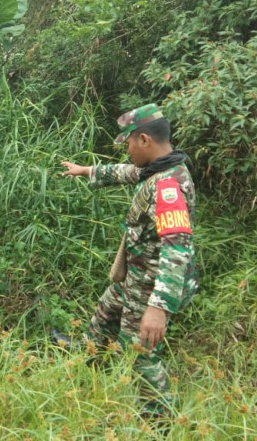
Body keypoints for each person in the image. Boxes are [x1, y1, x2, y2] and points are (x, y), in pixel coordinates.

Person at [61, 103, 198, 416]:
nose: (128, 151)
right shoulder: (160, 168)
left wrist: (158, 308)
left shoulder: (167, 187)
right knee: (105, 312)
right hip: (134, 277)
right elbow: (129, 172)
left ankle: (158, 422)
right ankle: (86, 362)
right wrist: (87, 171)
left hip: (151, 286)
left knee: (141, 353)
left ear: (145, 140)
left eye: (130, 143)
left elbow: (177, 249)